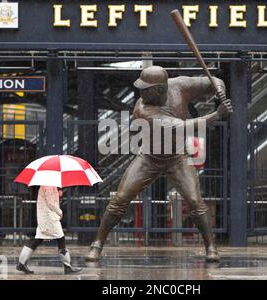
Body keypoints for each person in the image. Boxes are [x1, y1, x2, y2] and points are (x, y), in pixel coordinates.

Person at [85, 65, 232, 263]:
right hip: (149, 157)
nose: (140, 92)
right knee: (120, 199)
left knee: (195, 201)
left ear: (160, 89)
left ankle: (212, 247)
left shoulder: (180, 85)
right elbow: (181, 126)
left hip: (178, 157)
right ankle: (97, 245)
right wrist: (216, 115)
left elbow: (214, 80)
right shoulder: (142, 109)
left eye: (146, 89)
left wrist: (219, 93)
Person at [17, 186, 82, 274]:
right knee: (61, 238)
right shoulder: (49, 185)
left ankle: (21, 263)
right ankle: (67, 266)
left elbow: (50, 199)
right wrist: (60, 212)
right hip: (49, 217)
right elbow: (51, 203)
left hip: (45, 216)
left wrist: (57, 193)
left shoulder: (48, 185)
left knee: (37, 240)